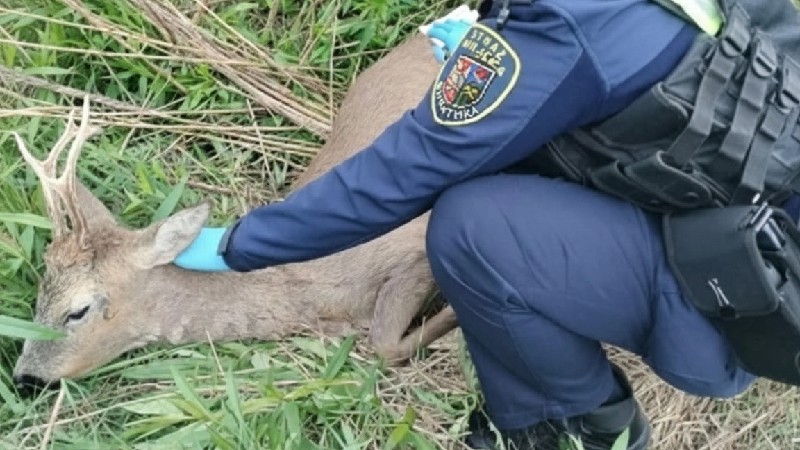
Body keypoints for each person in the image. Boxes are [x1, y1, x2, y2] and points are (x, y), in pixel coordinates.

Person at [171, 1, 763, 448]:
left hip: (724, 320)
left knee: (471, 225)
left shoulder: (556, 25)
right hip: (759, 260)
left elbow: (401, 173)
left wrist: (237, 244)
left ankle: (585, 428)